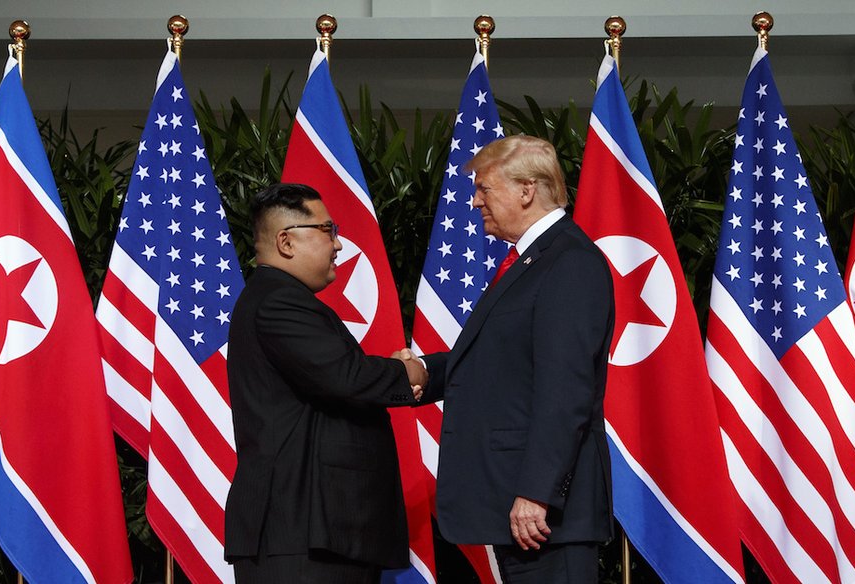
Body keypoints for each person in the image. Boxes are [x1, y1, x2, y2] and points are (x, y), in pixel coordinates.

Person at [407, 135, 615, 583]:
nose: (475, 200)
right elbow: (499, 362)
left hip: (544, 518)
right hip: (516, 507)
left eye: (484, 188)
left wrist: (537, 493)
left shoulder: (569, 262)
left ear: (527, 190)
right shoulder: (530, 261)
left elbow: (566, 390)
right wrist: (425, 370)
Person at [224, 183, 427, 584]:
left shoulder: (277, 297)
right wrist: (410, 373)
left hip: (315, 534)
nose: (337, 245)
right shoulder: (279, 301)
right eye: (327, 230)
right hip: (302, 534)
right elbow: (347, 378)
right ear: (286, 241)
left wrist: (395, 374)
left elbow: (338, 375)